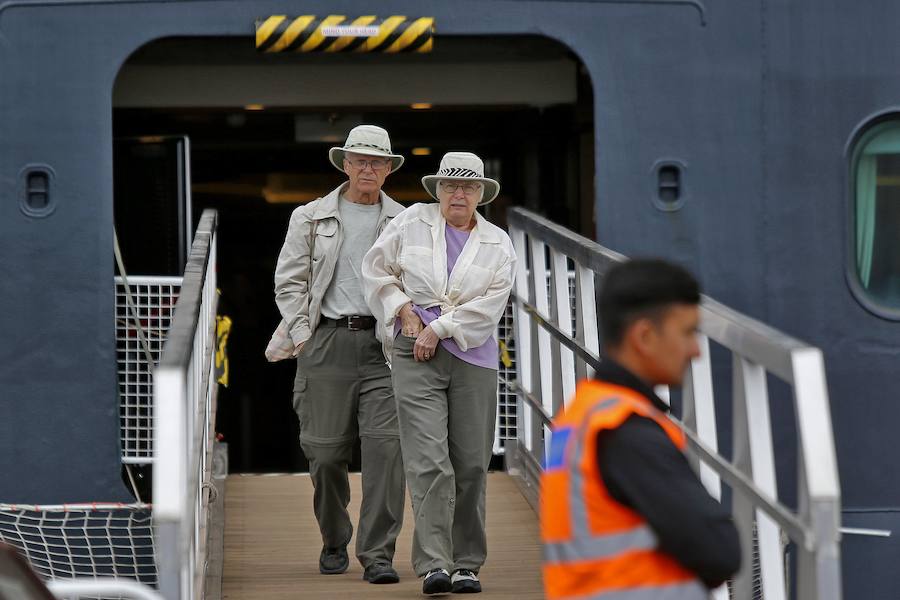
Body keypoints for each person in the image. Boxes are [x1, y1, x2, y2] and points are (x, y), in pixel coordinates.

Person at [540, 259, 741, 599]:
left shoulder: (581, 416)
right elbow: (720, 552)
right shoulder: (624, 431)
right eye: (687, 332)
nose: (695, 351)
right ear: (645, 337)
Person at [362, 152, 516, 595]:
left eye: (468, 187)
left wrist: (440, 328)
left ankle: (467, 563)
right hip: (415, 352)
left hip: (473, 356)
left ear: (481, 194)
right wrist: (404, 310)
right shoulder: (410, 222)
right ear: (438, 190)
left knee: (469, 463)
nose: (459, 194)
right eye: (450, 186)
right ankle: (435, 564)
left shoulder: (498, 242)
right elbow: (376, 271)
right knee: (429, 461)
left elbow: (491, 307)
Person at [272, 125, 407, 584]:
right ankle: (334, 537)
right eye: (359, 160)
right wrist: (305, 334)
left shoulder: (407, 222)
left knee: (386, 454)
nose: (367, 168)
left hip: (385, 349)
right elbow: (288, 283)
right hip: (326, 342)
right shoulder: (309, 217)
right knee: (325, 454)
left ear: (389, 169)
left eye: (376, 162)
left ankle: (378, 554)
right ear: (344, 165)